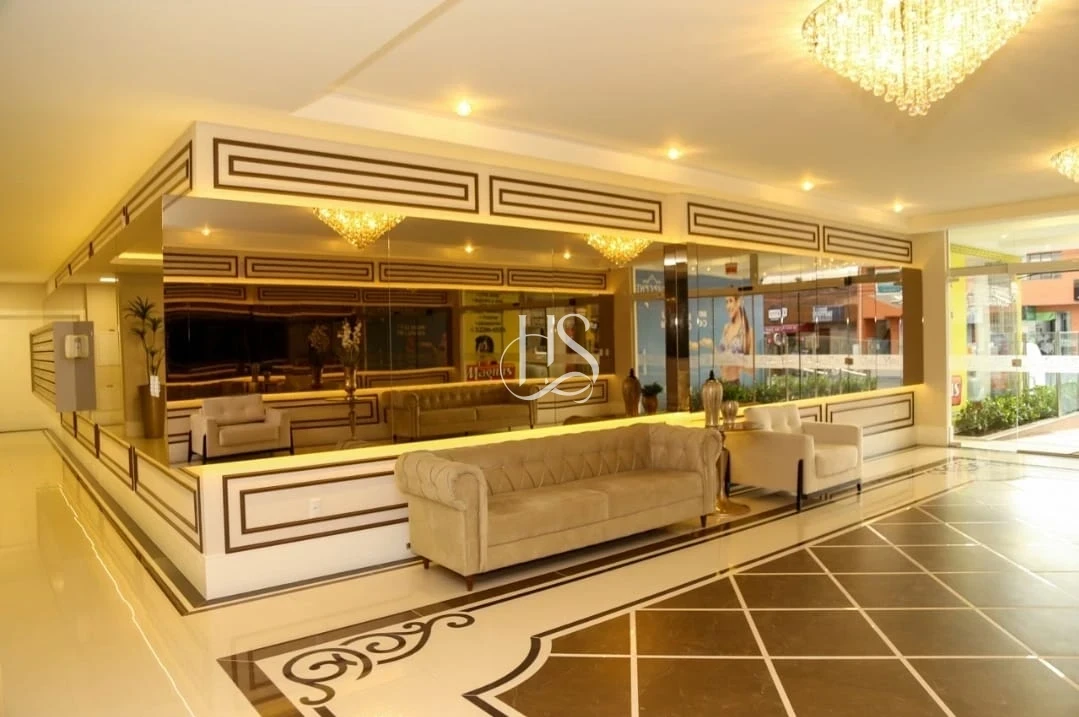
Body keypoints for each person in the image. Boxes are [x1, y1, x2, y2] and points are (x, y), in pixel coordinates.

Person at [718, 296, 754, 382]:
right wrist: (711, 346)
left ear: (738, 302)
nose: (728, 306)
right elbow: (720, 362)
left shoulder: (748, 331)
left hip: (734, 383)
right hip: (721, 382)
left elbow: (752, 369)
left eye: (731, 301)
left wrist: (736, 360)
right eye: (726, 302)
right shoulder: (726, 328)